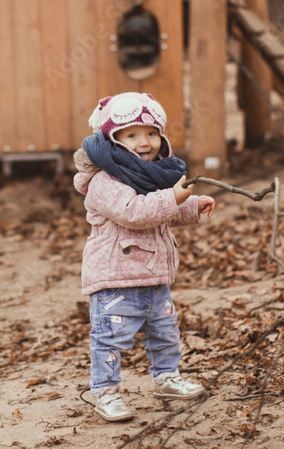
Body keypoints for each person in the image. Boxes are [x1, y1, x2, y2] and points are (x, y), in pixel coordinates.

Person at [73, 92, 216, 422]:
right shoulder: (104, 181)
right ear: (113, 139)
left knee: (165, 332)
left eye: (152, 133)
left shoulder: (147, 174)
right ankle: (105, 392)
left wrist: (191, 206)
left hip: (153, 276)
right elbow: (134, 213)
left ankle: (166, 377)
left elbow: (162, 212)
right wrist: (172, 197)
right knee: (110, 340)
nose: (144, 142)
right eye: (132, 135)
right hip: (115, 280)